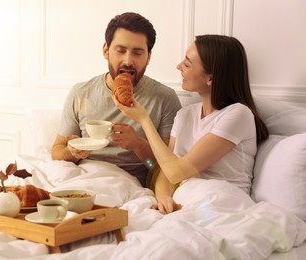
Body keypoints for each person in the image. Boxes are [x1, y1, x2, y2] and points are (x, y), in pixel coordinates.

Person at [113, 34, 269, 213]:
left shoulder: (238, 115)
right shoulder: (185, 114)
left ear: (210, 78)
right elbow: (165, 172)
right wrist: (164, 198)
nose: (179, 66)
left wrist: (143, 119)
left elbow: (176, 172)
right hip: (186, 200)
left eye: (187, 64)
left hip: (222, 202)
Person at [51, 12, 182, 187]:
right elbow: (57, 152)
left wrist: (138, 145)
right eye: (120, 51)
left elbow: (161, 168)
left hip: (127, 184)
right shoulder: (81, 93)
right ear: (106, 51)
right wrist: (71, 151)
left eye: (137, 53)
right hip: (82, 178)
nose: (128, 61)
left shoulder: (165, 98)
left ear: (148, 57)